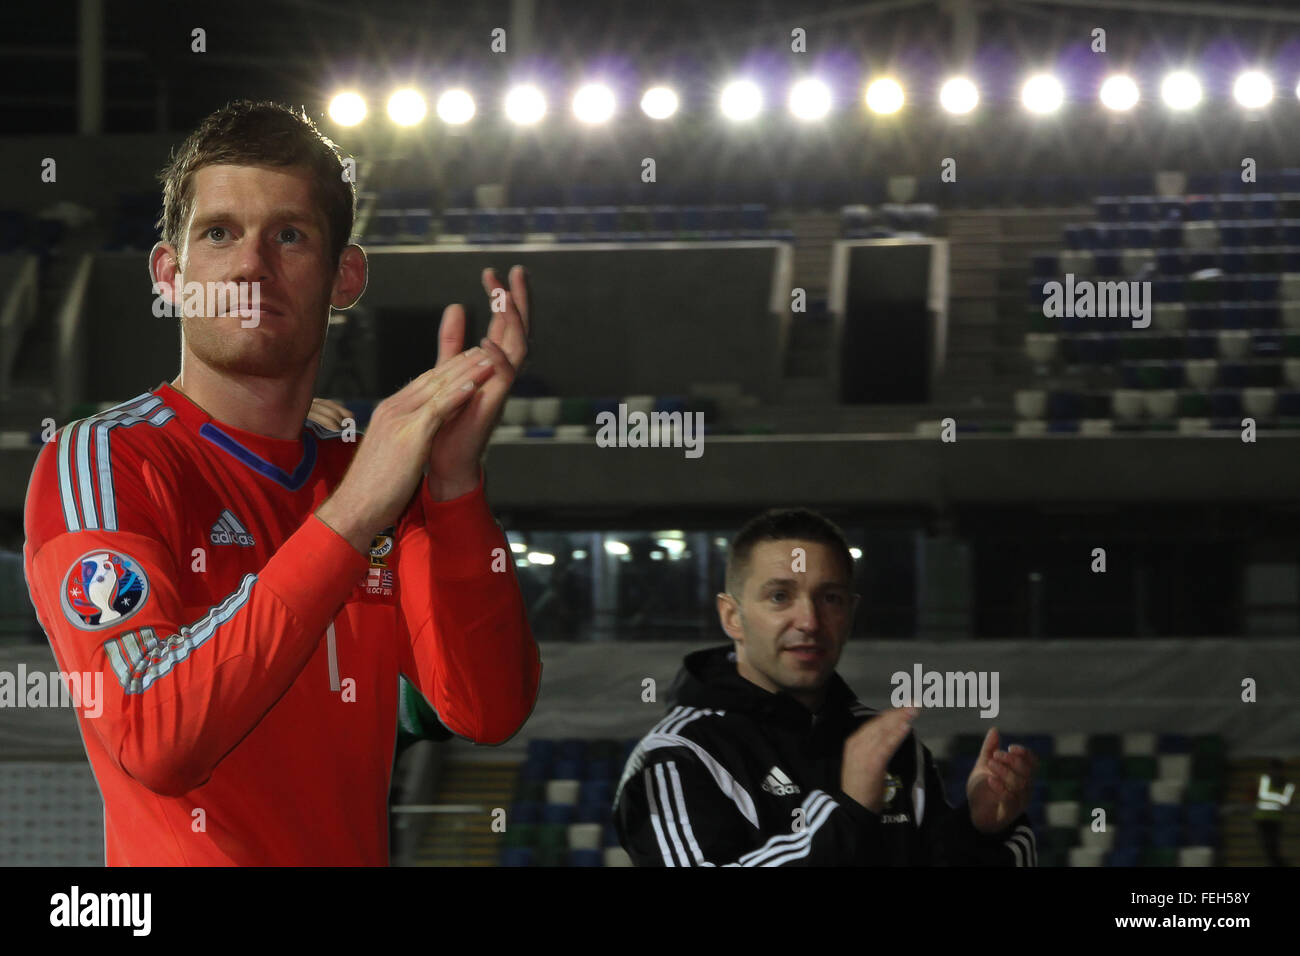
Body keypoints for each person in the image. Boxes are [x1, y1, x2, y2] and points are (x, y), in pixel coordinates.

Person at [22, 100, 541, 865]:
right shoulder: (105, 461)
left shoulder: (372, 475)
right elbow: (154, 733)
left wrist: (455, 487)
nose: (250, 265)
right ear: (170, 274)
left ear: (345, 276)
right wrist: (352, 513)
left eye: (289, 235)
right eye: (219, 232)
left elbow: (487, 709)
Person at [614, 507, 1038, 866]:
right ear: (732, 617)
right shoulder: (675, 758)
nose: (810, 621)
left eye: (830, 598)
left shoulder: (890, 745)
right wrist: (846, 811)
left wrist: (979, 831)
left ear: (850, 614)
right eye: (780, 596)